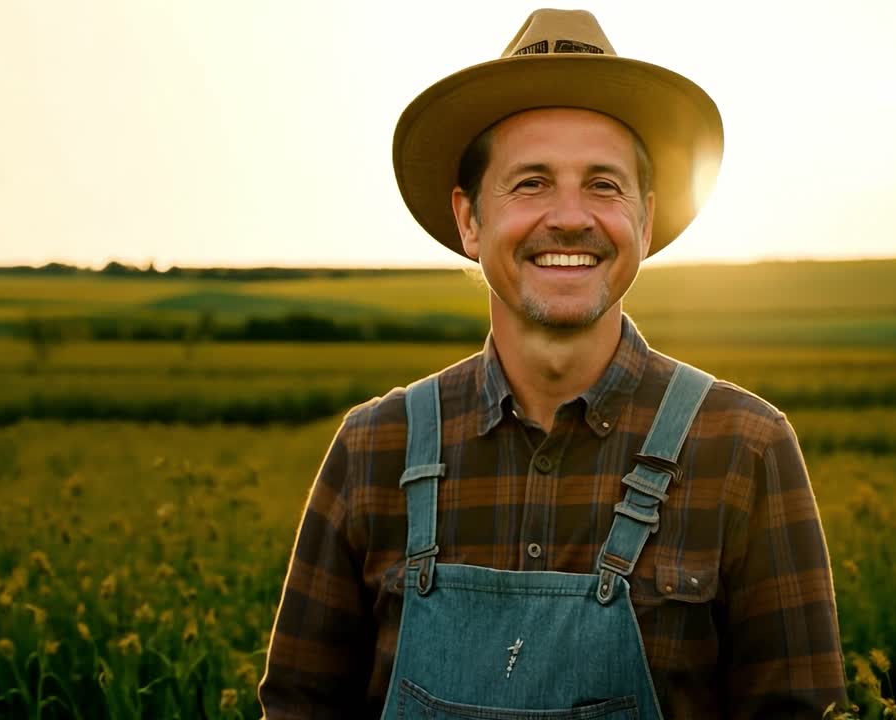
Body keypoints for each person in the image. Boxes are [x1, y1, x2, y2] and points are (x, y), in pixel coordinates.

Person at [260, 9, 846, 719]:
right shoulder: (372, 448)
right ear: (470, 220)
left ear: (645, 220)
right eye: (531, 182)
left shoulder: (744, 447)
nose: (570, 217)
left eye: (603, 185)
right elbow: (299, 707)